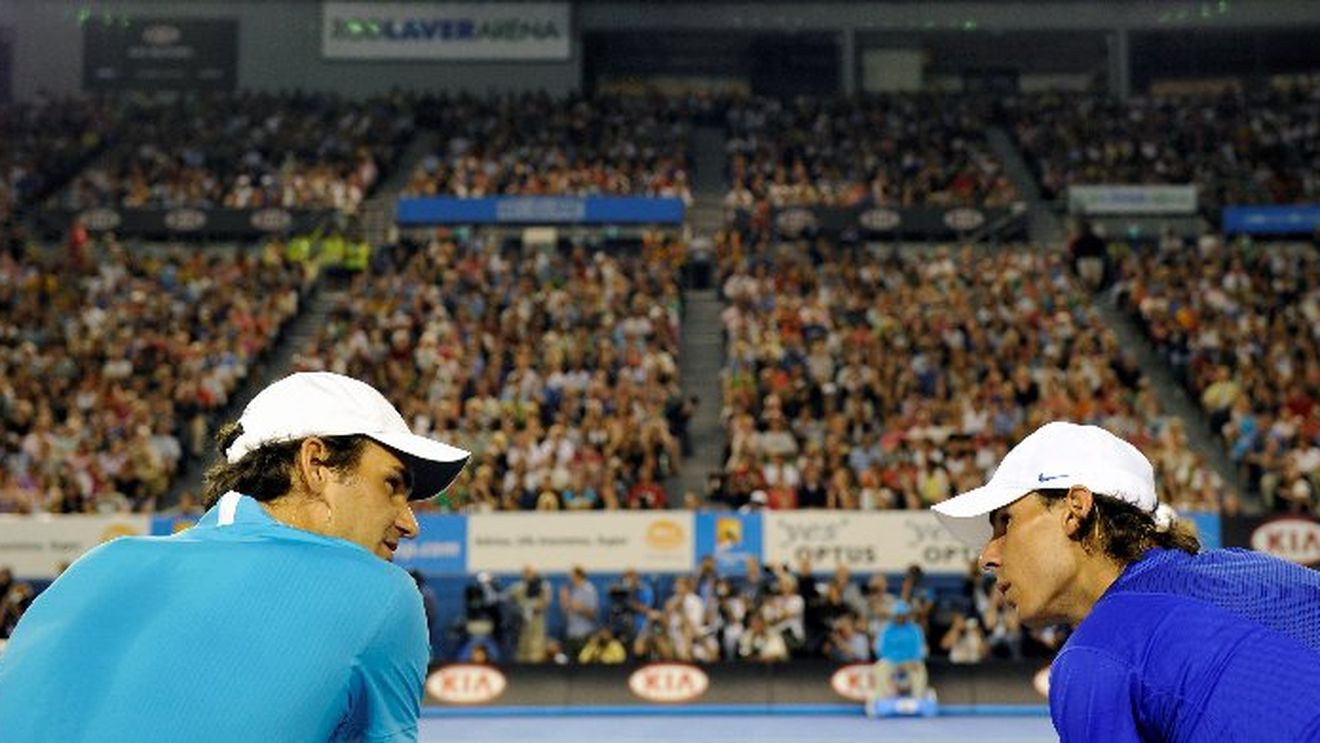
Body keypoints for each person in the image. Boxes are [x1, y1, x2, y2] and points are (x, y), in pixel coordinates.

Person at [0, 372, 470, 742]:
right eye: (392, 485)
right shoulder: (384, 596)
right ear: (316, 465)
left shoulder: (94, 566)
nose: (410, 523)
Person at [932, 421, 1320, 742]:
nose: (987, 557)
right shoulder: (1255, 569)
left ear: (1075, 509)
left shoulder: (1096, 655)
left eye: (1006, 523)